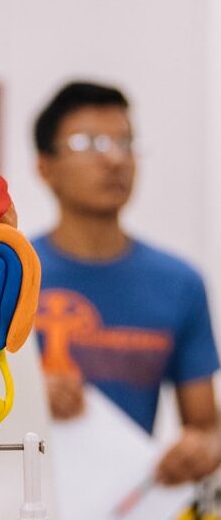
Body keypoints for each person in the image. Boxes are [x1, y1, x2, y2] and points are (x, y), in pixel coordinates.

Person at [32, 81, 221, 485]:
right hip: (11, 502)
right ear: (45, 167)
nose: (115, 159)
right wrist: (27, 398)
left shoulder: (179, 283)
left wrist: (201, 451)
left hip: (128, 503)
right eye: (89, 143)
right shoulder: (6, 275)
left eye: (126, 142)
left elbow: (207, 428)